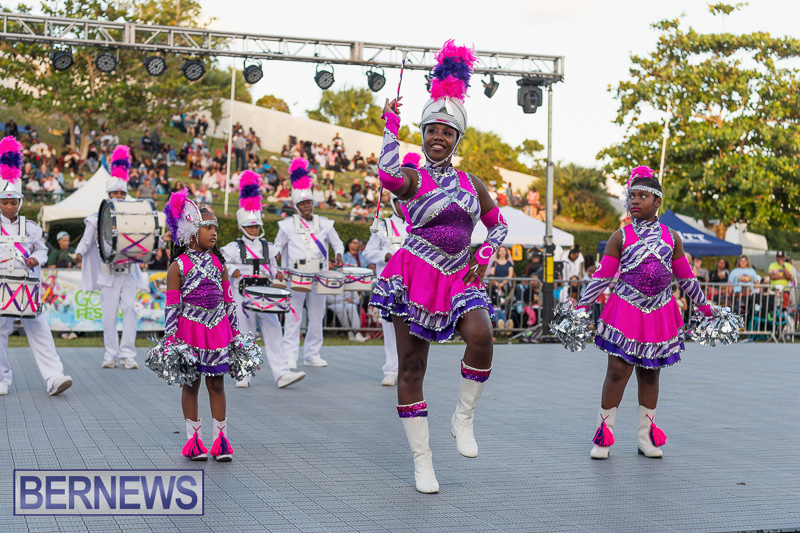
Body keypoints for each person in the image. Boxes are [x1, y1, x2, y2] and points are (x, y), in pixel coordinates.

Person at [368, 41, 508, 494]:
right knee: (411, 367)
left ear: (457, 139)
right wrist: (391, 129)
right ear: (423, 132)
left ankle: (462, 419)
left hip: (459, 276)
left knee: (483, 339)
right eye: (431, 130)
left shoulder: (472, 183)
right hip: (414, 273)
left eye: (447, 132)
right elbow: (388, 178)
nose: (438, 137)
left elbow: (498, 228)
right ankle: (422, 460)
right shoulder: (412, 175)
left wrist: (481, 257)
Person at [574, 166, 715, 460]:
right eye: (631, 196)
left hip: (659, 312)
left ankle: (645, 438)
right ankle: (604, 437)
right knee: (617, 372)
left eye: (642, 196)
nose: (634, 201)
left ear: (657, 202)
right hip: (625, 309)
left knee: (650, 376)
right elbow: (602, 276)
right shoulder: (620, 236)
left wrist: (705, 307)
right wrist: (581, 307)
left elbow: (686, 277)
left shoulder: (672, 237)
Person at [157, 191, 243, 461]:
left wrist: (236, 333)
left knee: (217, 384)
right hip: (189, 331)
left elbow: (229, 301)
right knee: (191, 384)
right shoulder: (177, 266)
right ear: (192, 231)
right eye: (208, 227)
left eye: (216, 227)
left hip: (217, 330)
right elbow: (172, 305)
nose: (214, 232)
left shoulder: (220, 264)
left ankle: (221, 442)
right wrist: (171, 338)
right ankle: (194, 442)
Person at [0, 136, 72, 396]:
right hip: (1, 287)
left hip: (27, 287)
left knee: (39, 329)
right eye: (5, 202)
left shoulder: (30, 227)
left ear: (20, 202)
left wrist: (36, 259)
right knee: (0, 332)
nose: (9, 207)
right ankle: (2, 378)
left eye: (13, 202)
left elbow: (43, 249)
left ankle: (54, 377)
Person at [220, 170, 306, 390]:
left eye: (256, 226)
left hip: (266, 295)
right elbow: (222, 264)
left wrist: (277, 273)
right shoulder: (233, 248)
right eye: (250, 226)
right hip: (243, 296)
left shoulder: (269, 247)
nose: (254, 229)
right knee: (244, 334)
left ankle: (282, 374)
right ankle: (243, 374)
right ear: (242, 228)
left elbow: (274, 267)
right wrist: (233, 270)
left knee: (274, 331)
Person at [75, 146, 144, 370]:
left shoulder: (134, 215)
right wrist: (78, 252)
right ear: (108, 196)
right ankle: (110, 354)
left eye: (121, 194)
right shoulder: (96, 218)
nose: (118, 197)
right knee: (108, 316)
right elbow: (86, 242)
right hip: (107, 274)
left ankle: (127, 354)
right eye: (114, 194)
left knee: (131, 311)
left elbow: (144, 240)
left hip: (128, 273)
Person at [274, 158, 344, 369]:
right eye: (302, 204)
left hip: (319, 276)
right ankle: (290, 355)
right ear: (296, 207)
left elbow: (338, 243)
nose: (307, 207)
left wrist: (339, 254)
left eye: (309, 203)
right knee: (293, 315)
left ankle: (312, 353)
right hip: (295, 277)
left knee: (317, 315)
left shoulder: (324, 223)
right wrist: (274, 260)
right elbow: (277, 246)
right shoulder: (286, 225)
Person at [364, 193, 411, 386]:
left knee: (411, 328)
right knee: (390, 326)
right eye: (400, 201)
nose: (404, 205)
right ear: (393, 203)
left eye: (407, 201)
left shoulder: (417, 226)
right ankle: (391, 369)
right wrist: (385, 255)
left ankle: (408, 369)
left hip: (411, 284)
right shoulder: (382, 226)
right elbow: (368, 252)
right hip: (388, 284)